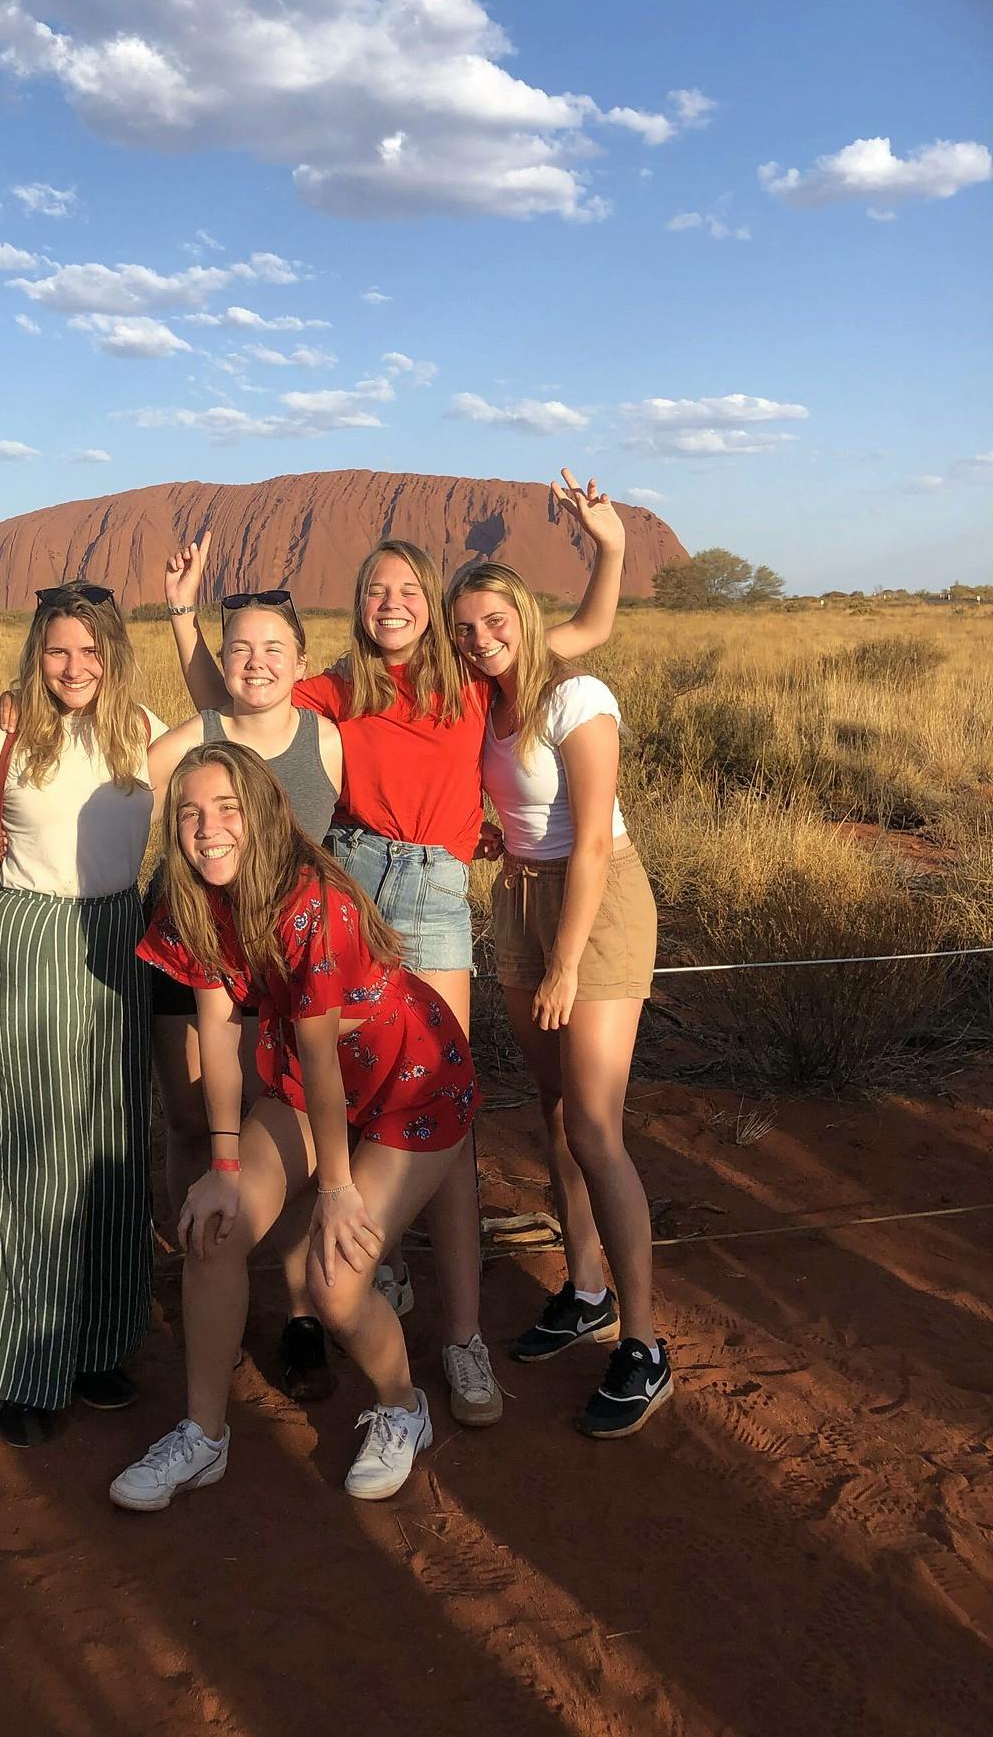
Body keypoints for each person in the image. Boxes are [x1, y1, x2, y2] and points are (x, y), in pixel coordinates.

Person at [163, 472, 624, 1429]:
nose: (392, 605)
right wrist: (180, 623)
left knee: (436, 1105)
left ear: (432, 599)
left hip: (435, 887)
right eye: (375, 591)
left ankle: (459, 1336)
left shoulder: (467, 671)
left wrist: (609, 548)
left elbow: (581, 632)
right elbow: (237, 707)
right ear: (359, 606)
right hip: (352, 878)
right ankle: (360, 1281)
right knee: (325, 1077)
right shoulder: (338, 685)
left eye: (409, 590)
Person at [109, 742, 480, 1510]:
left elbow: (317, 1050)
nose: (207, 830)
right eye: (188, 814)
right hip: (313, 1081)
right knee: (217, 1225)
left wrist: (337, 1189)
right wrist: (223, 1164)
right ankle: (204, 1436)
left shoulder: (311, 898)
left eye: (225, 811)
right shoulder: (194, 899)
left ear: (266, 814)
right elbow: (217, 1028)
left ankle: (402, 1407)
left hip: (408, 1081)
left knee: (336, 1279)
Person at [449, 560, 670, 1437]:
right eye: (465, 627)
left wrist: (569, 962)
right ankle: (584, 1290)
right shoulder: (484, 696)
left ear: (523, 615)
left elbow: (588, 839)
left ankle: (645, 1348)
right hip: (522, 900)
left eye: (494, 619)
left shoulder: (576, 697)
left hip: (598, 902)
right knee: (551, 1107)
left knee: (593, 1126)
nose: (480, 638)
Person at [0, 584, 163, 1447]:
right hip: (31, 931)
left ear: (115, 653)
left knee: (116, 1139)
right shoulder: (5, 731)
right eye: (58, 651)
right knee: (36, 1144)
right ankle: (23, 1364)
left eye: (91, 651)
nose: (75, 667)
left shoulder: (145, 731)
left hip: (122, 931)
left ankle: (98, 1345)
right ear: (35, 654)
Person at [145, 589, 343, 1402]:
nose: (255, 662)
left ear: (302, 659)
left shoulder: (327, 740)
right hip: (190, 948)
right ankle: (209, 1298)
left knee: (280, 1137)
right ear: (217, 665)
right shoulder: (198, 734)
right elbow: (121, 791)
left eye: (271, 648)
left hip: (281, 965)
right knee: (193, 1121)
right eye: (237, 650)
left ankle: (300, 1314)